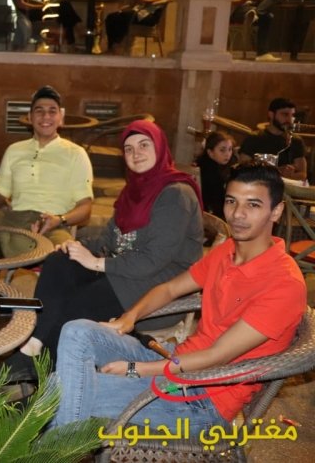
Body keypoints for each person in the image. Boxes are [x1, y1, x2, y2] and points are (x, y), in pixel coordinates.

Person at [52, 162, 306, 436]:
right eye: (231, 201)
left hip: (202, 400)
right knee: (77, 331)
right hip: (176, 361)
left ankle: (57, 443)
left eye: (253, 205)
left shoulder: (284, 283)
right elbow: (170, 289)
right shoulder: (228, 251)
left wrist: (137, 370)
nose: (237, 214)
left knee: (62, 391)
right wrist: (129, 318)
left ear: (276, 211)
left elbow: (217, 356)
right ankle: (65, 437)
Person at [4, 120, 203, 379]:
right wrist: (75, 247)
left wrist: (97, 263)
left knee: (78, 304)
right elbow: (109, 240)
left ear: (160, 148)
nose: (136, 153)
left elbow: (152, 260)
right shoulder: (133, 192)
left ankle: (47, 373)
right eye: (129, 149)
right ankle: (34, 344)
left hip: (158, 290)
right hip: (126, 273)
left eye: (144, 145)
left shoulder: (176, 194)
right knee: (59, 262)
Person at [0, 85, 94, 247]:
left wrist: (59, 219)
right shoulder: (14, 150)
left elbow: (85, 209)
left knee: (62, 255)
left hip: (54, 225)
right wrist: (10, 214)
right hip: (15, 223)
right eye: (39, 111)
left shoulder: (75, 153)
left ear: (61, 118)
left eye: (52, 111)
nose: (46, 116)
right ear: (30, 117)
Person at [238, 97, 307, 181]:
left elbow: (303, 174)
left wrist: (289, 175)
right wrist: (276, 172)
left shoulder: (296, 141)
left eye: (292, 115)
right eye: (285, 114)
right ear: (271, 114)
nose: (289, 120)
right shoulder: (254, 138)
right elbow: (242, 170)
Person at [195, 131, 236, 218]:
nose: (227, 154)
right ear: (210, 152)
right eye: (222, 150)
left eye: (230, 149)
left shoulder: (226, 167)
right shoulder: (208, 171)